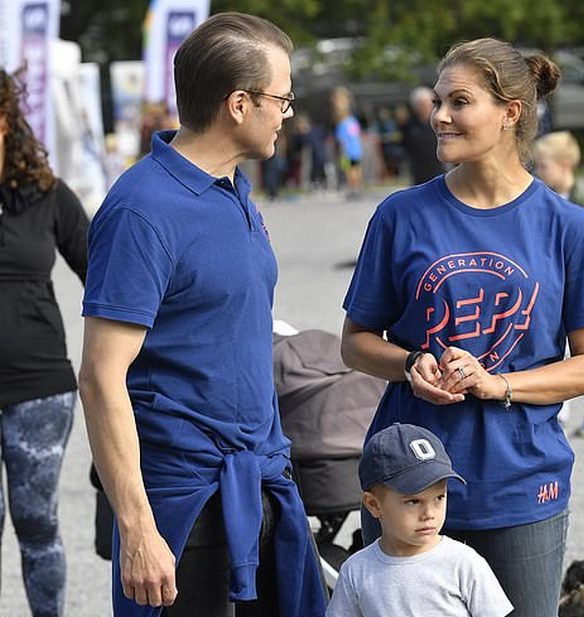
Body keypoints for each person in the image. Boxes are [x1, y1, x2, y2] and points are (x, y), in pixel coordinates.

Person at [340, 37, 584, 617]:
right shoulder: (400, 215)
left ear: (510, 113)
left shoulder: (569, 227)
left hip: (520, 481)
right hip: (406, 480)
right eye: (439, 100)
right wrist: (409, 363)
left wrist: (500, 385)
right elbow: (355, 343)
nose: (439, 116)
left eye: (460, 101)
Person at [78, 13, 326, 617]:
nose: (289, 112)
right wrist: (137, 529)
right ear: (239, 104)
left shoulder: (234, 189)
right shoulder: (142, 210)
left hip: (257, 483)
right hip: (183, 502)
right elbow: (100, 377)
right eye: (282, 98)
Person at [0, 67, 89, 617]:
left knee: (37, 522)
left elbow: (107, 279)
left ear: (7, 121)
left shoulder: (46, 195)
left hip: (39, 389)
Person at [327, 423, 513, 617]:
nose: (429, 514)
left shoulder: (464, 563)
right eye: (414, 501)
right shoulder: (356, 570)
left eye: (439, 498)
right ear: (373, 505)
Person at [531, 131, 584, 439]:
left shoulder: (583, 205)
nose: (538, 172)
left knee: (580, 355)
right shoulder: (542, 201)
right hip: (551, 293)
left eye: (544, 166)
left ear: (565, 165)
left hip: (575, 293)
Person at [402, 86, 445, 185]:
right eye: (421, 105)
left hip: (438, 167)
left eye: (428, 104)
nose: (425, 108)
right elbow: (405, 144)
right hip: (419, 170)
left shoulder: (439, 123)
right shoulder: (409, 125)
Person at [331, 87, 363, 197]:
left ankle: (352, 189)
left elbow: (341, 139)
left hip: (347, 152)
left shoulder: (342, 124)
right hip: (356, 150)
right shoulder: (353, 121)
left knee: (349, 170)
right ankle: (357, 188)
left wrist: (340, 152)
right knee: (356, 169)